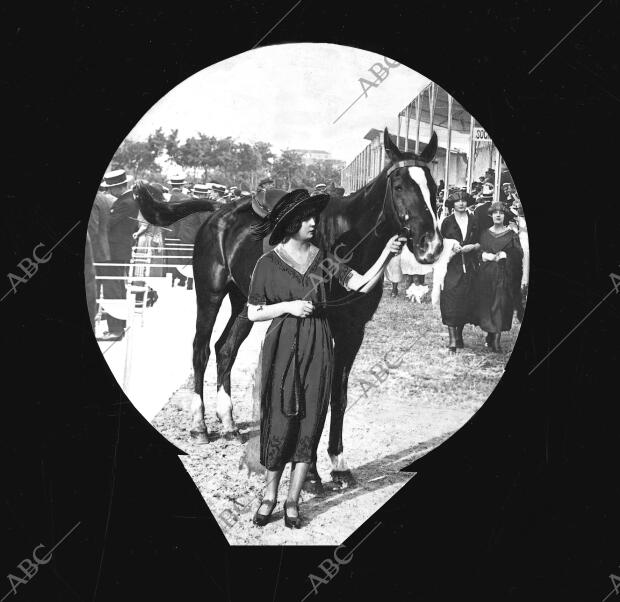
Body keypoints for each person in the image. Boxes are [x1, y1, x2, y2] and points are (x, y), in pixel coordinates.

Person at [247, 188, 406, 528]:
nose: (312, 222)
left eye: (313, 217)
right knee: (278, 418)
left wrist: (386, 257)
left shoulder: (325, 259)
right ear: (290, 223)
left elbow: (361, 284)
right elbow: (252, 311)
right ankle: (270, 495)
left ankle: (292, 500)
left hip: (319, 341)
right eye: (305, 218)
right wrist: (287, 306)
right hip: (282, 342)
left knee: (310, 419)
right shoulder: (267, 262)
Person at [472, 201, 523, 352]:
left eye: (501, 213)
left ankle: (496, 340)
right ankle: (490, 333)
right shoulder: (485, 234)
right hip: (486, 275)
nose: (498, 215)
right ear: (491, 215)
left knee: (500, 304)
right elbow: (478, 252)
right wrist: (485, 255)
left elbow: (518, 254)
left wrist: (506, 254)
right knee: (488, 304)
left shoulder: (511, 235)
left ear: (505, 216)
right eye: (495, 213)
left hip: (503, 275)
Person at [437, 191, 480, 352]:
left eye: (464, 201)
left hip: (470, 264)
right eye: (457, 201)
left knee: (465, 298)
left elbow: (481, 241)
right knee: (450, 295)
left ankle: (459, 335)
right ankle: (452, 339)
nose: (461, 203)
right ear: (452, 205)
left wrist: (473, 247)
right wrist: (451, 245)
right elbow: (439, 242)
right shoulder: (447, 222)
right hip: (452, 264)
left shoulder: (474, 220)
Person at [98, 169, 136, 341]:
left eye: (111, 188)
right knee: (118, 288)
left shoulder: (125, 202)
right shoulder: (127, 200)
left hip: (115, 252)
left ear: (119, 187)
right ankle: (119, 326)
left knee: (112, 289)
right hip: (120, 251)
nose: (109, 192)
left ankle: (115, 329)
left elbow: (109, 223)